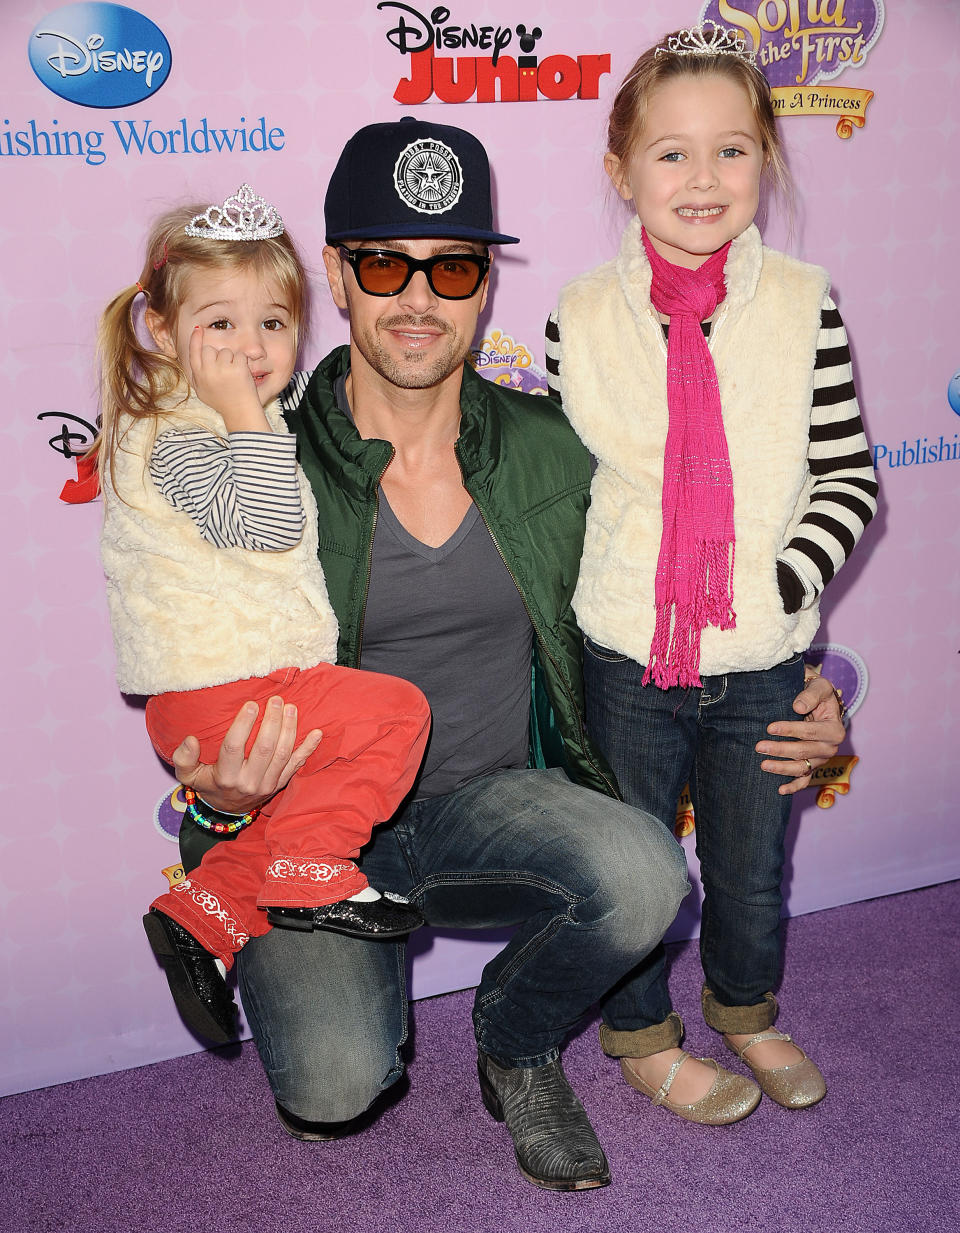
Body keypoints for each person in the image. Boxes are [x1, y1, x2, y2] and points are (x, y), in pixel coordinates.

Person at [168, 117, 847, 1189]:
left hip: (496, 805)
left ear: (486, 287)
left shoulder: (553, 445)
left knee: (641, 871)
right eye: (385, 263)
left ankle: (516, 1040)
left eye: (454, 268)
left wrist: (809, 684)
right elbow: (179, 640)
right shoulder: (255, 463)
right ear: (338, 279)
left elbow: (695, 563)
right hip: (314, 831)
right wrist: (215, 799)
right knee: (338, 1091)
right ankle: (358, 976)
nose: (418, 298)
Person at [546, 23, 878, 1121]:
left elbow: (848, 479)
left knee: (748, 866)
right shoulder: (579, 316)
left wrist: (784, 586)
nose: (702, 179)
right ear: (621, 171)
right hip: (625, 650)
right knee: (638, 869)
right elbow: (564, 492)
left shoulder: (803, 300)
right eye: (671, 153)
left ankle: (746, 1008)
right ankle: (639, 1034)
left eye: (731, 150)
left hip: (763, 654)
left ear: (767, 161)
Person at [96, 184, 432, 1045]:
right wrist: (248, 414)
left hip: (241, 688)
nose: (251, 348)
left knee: (329, 777)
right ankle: (311, 867)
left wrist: (250, 414)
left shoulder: (225, 420)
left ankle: (204, 911)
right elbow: (268, 524)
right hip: (223, 693)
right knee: (398, 711)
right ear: (163, 332)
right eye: (221, 325)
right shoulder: (174, 433)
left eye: (273, 325)